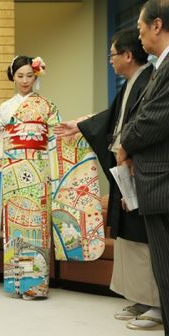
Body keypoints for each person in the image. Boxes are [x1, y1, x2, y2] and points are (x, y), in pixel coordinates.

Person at [55, 29, 161, 330]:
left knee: (145, 238)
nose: (110, 61)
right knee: (129, 236)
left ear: (128, 55)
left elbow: (139, 126)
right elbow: (111, 118)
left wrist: (126, 152)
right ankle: (141, 297)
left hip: (143, 170)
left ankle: (156, 303)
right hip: (126, 170)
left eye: (113, 55)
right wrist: (80, 125)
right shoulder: (133, 83)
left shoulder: (151, 80)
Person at [118, 1, 169, 333]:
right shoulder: (158, 66)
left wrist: (124, 144)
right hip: (155, 174)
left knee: (165, 267)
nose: (139, 35)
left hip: (162, 179)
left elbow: (152, 119)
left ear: (157, 25)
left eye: (140, 28)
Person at [0, 56, 59, 300]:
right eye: (20, 76)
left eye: (29, 76)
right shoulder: (5, 107)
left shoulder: (46, 105)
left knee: (37, 227)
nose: (25, 81)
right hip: (11, 170)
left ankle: (36, 285)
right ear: (13, 77)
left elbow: (55, 137)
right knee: (14, 229)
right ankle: (16, 284)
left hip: (39, 170)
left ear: (36, 76)